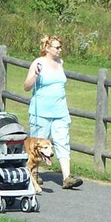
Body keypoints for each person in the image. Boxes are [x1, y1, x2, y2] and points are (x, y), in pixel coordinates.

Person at [23, 34, 82, 189]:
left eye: (60, 47)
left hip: (60, 111)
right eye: (56, 47)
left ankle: (67, 177)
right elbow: (27, 86)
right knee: (38, 143)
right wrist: (35, 75)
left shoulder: (60, 62)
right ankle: (33, 173)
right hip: (41, 111)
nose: (59, 50)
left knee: (63, 142)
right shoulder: (38, 62)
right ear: (47, 48)